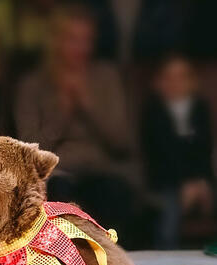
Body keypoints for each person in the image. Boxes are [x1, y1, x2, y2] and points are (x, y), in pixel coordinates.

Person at [14, 4, 135, 230]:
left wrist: (88, 107)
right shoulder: (33, 84)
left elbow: (122, 142)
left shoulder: (106, 77)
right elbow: (29, 150)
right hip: (58, 173)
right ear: (56, 41)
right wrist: (62, 115)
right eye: (72, 39)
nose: (81, 48)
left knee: (114, 193)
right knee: (56, 195)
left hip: (101, 170)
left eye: (86, 40)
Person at [140, 54, 217, 247]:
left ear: (192, 82)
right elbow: (158, 157)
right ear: (158, 83)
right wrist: (183, 186)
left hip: (202, 182)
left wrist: (202, 183)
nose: (175, 83)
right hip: (166, 186)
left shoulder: (200, 110)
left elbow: (205, 152)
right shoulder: (152, 113)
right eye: (169, 77)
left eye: (182, 77)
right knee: (168, 218)